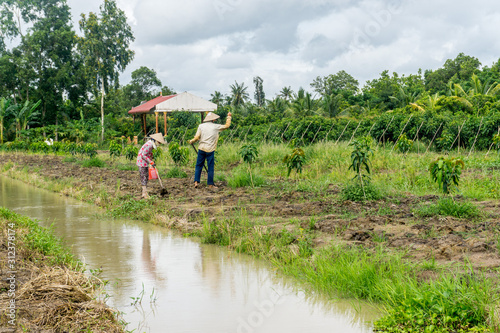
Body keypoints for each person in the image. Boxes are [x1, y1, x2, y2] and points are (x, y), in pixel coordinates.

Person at [189, 111, 232, 189]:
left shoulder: (201, 126)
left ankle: (196, 182)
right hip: (210, 149)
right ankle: (210, 184)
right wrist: (229, 117)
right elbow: (227, 126)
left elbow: (197, 137)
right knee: (210, 167)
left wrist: (192, 141)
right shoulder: (215, 127)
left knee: (198, 165)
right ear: (213, 120)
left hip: (201, 148)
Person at [136, 133, 165, 198]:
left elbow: (148, 154)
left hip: (144, 162)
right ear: (156, 141)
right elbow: (143, 155)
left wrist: (151, 161)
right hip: (142, 162)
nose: (159, 144)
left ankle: (144, 193)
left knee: (145, 177)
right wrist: (151, 162)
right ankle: (144, 193)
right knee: (144, 177)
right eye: (159, 142)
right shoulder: (149, 145)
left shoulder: (151, 144)